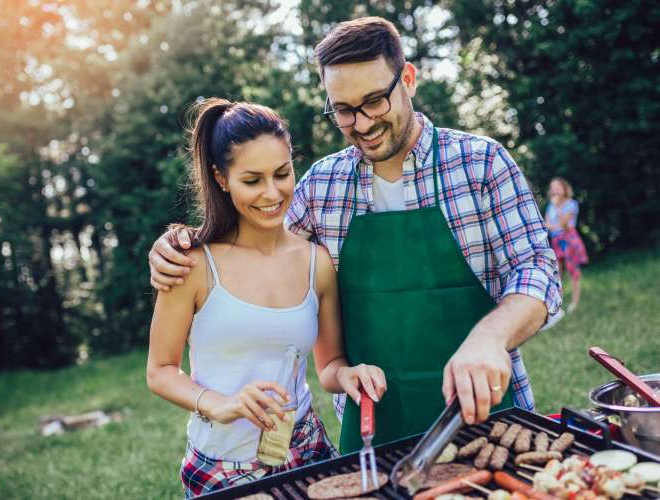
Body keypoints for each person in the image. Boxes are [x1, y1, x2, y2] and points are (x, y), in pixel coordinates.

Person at [147, 17, 562, 454]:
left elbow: (537, 271)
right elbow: (254, 244)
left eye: (374, 101)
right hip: (374, 433)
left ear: (408, 79)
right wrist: (184, 242)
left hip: (489, 420)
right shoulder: (322, 186)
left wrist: (490, 338)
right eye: (344, 109)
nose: (362, 123)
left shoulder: (481, 164)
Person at [145, 98, 386, 497]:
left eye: (282, 173)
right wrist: (217, 402)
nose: (272, 193)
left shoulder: (316, 262)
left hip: (308, 452)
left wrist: (349, 374)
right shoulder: (191, 264)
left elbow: (329, 367)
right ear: (222, 179)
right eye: (252, 180)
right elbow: (159, 370)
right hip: (223, 465)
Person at [545, 177, 588, 313]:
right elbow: (546, 224)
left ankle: (574, 302)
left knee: (573, 270)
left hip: (569, 240)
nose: (555, 189)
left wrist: (557, 211)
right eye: (553, 187)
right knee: (557, 272)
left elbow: (564, 224)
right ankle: (558, 303)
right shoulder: (550, 205)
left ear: (564, 188)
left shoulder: (571, 204)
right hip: (556, 240)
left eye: (558, 186)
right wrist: (555, 225)